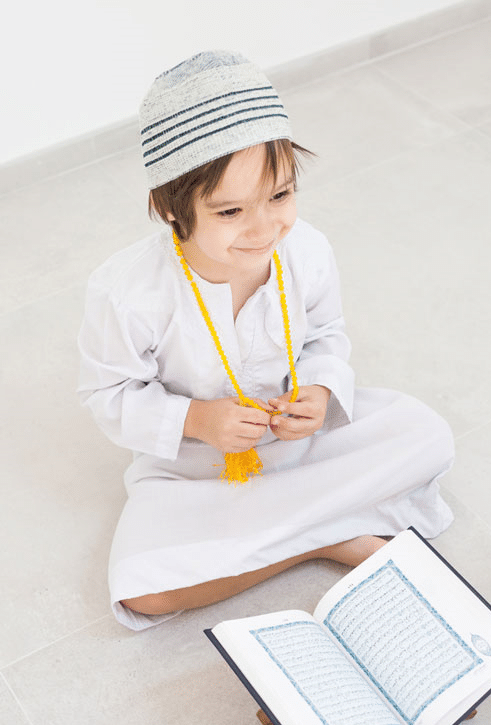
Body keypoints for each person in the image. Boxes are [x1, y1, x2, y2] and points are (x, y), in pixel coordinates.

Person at [78, 51, 454, 630]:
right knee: (142, 592)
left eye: (279, 196)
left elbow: (327, 335)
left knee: (427, 435)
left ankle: (292, 530)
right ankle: (326, 539)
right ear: (170, 209)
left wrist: (321, 392)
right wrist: (200, 421)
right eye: (230, 210)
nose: (264, 228)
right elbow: (110, 397)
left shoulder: (307, 249)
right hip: (198, 466)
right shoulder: (127, 292)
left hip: (299, 441)